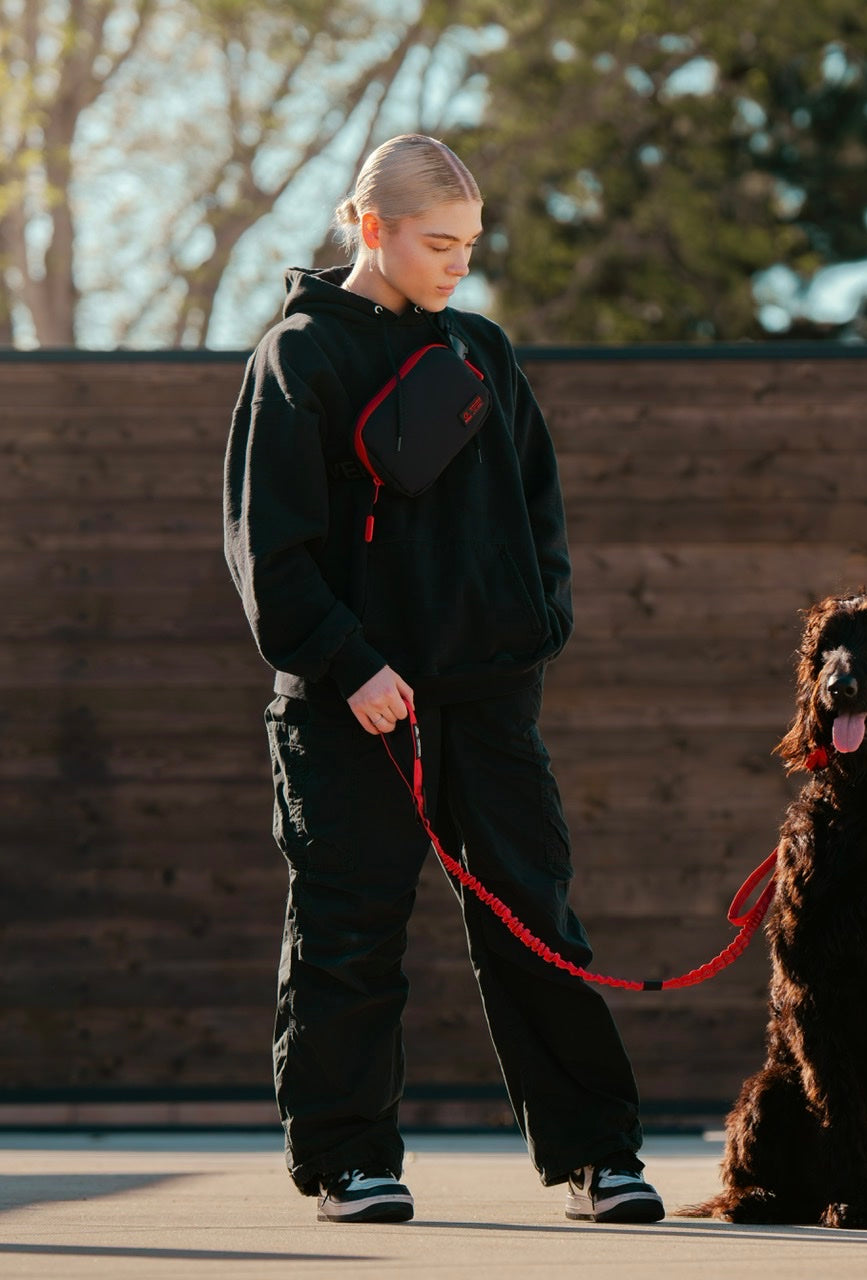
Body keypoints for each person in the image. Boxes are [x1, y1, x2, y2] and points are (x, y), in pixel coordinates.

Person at [223, 133, 663, 1226]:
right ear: (372, 229)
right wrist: (350, 662)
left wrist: (535, 627)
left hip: (487, 698)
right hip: (352, 708)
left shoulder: (482, 351)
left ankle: (598, 1156)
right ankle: (349, 1162)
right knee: (348, 932)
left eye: (470, 242)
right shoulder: (298, 357)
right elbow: (267, 550)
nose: (459, 262)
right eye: (438, 242)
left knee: (536, 922)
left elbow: (537, 506)